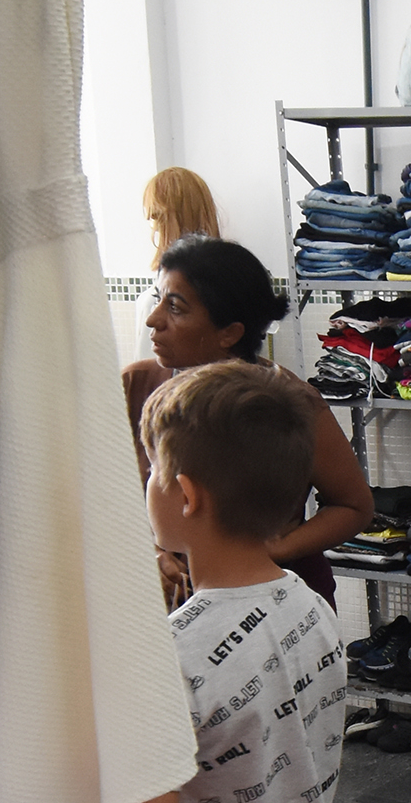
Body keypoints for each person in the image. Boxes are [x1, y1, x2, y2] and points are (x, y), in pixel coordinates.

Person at [113, 361, 353, 803]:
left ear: (186, 495)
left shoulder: (166, 655)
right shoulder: (313, 608)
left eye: (152, 470)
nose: (147, 483)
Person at [123, 235, 372, 608]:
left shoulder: (287, 402)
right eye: (158, 299)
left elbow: (353, 506)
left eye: (175, 307)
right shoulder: (137, 386)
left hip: (275, 601)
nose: (153, 319)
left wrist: (269, 552)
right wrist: (153, 551)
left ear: (230, 332)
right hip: (172, 606)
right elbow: (103, 496)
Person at [130, 167, 222, 362]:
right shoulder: (222, 273)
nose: (150, 221)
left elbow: (151, 364)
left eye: (154, 214)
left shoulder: (165, 295)